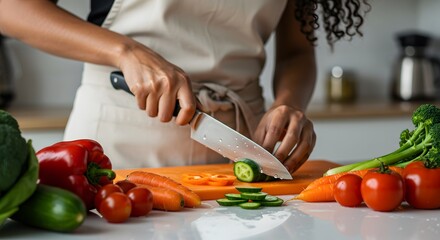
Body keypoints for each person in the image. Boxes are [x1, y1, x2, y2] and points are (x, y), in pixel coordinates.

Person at [0, 0, 369, 172]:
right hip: (118, 140)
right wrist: (125, 51)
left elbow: (296, 53)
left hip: (243, 143)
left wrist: (287, 104)